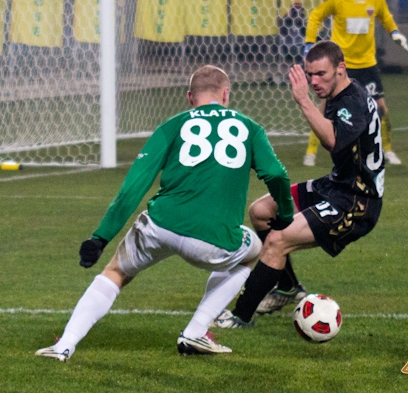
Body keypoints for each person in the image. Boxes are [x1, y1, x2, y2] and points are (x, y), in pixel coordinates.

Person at [35, 65, 295, 361]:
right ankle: (196, 332)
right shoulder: (249, 127)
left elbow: (133, 186)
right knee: (252, 250)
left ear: (189, 97)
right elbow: (275, 173)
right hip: (213, 240)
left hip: (160, 226)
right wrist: (285, 213)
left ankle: (64, 345)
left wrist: (100, 237)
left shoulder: (172, 126)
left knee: (116, 272)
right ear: (226, 95)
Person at [214, 41, 384, 326]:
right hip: (335, 185)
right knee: (261, 212)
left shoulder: (352, 101)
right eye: (310, 75)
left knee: (278, 241)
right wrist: (315, 98)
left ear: (341, 69)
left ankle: (240, 316)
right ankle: (288, 287)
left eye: (321, 74)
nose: (314, 81)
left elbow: (331, 141)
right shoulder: (339, 92)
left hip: (356, 201)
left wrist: (304, 100)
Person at [302, 0, 407, 167]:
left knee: (380, 108)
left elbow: (385, 17)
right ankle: (311, 152)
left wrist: (394, 32)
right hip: (342, 65)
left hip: (367, 64)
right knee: (324, 108)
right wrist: (309, 43)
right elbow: (316, 16)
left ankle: (387, 150)